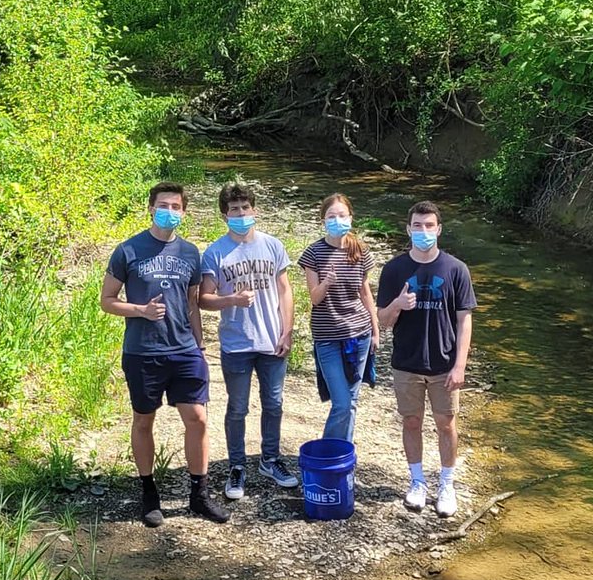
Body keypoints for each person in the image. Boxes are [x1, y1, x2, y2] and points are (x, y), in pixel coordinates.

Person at [99, 182, 227, 527]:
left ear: (183, 212)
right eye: (163, 205)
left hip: (184, 350)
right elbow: (107, 301)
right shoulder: (128, 250)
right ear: (151, 209)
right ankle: (148, 491)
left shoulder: (190, 252)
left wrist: (200, 346)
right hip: (143, 352)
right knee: (144, 420)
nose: (169, 211)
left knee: (197, 418)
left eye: (176, 206)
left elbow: (192, 303)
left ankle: (199, 494)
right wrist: (140, 310)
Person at [376, 200, 476, 518]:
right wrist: (398, 305)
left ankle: (446, 484)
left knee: (446, 424)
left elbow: (464, 320)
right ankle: (417, 481)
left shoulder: (456, 269)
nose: (423, 231)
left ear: (439, 229)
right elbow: (383, 320)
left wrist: (460, 365)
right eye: (417, 226)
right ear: (408, 229)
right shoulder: (394, 270)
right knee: (411, 422)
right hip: (406, 362)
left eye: (429, 225)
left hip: (444, 364)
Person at [199, 181, 298, 500]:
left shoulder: (272, 245)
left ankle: (270, 460)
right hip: (236, 344)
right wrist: (232, 300)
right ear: (224, 215)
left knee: (274, 404)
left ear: (254, 210)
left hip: (272, 342)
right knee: (238, 407)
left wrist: (287, 331)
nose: (241, 214)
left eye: (245, 208)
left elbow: (285, 290)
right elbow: (204, 298)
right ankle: (237, 466)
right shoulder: (215, 252)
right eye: (234, 210)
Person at [298, 193, 380, 443]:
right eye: (331, 216)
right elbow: (315, 298)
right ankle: (328, 454)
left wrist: (376, 330)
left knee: (351, 401)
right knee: (342, 402)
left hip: (359, 334)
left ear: (350, 218)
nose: (337, 220)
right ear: (323, 220)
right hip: (327, 336)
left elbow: (365, 293)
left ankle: (343, 456)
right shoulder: (314, 253)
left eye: (342, 215)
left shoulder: (360, 250)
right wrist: (326, 282)